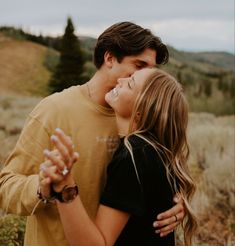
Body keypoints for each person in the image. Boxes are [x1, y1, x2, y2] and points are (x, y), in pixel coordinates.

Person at [0, 22, 185, 246]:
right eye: (139, 65)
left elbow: (159, 170)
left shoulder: (141, 123)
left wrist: (173, 203)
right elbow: (5, 188)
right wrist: (42, 187)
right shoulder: (54, 110)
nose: (147, 78)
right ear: (109, 58)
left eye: (151, 70)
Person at [40, 68, 197, 246]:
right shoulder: (155, 150)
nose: (120, 80)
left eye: (129, 84)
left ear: (140, 111)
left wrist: (64, 186)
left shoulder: (135, 156)